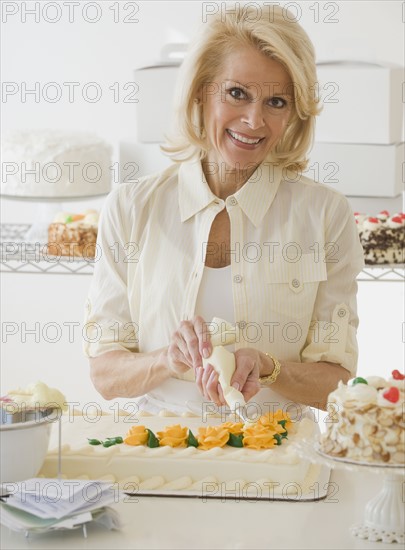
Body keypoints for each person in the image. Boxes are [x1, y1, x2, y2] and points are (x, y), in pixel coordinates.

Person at [83, 4, 365, 417]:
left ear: (294, 113)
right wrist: (167, 359)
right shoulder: (130, 208)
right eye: (237, 93)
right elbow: (106, 375)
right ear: (200, 91)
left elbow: (337, 385)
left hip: (280, 461)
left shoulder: (325, 214)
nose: (254, 120)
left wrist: (270, 369)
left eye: (277, 102)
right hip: (158, 454)